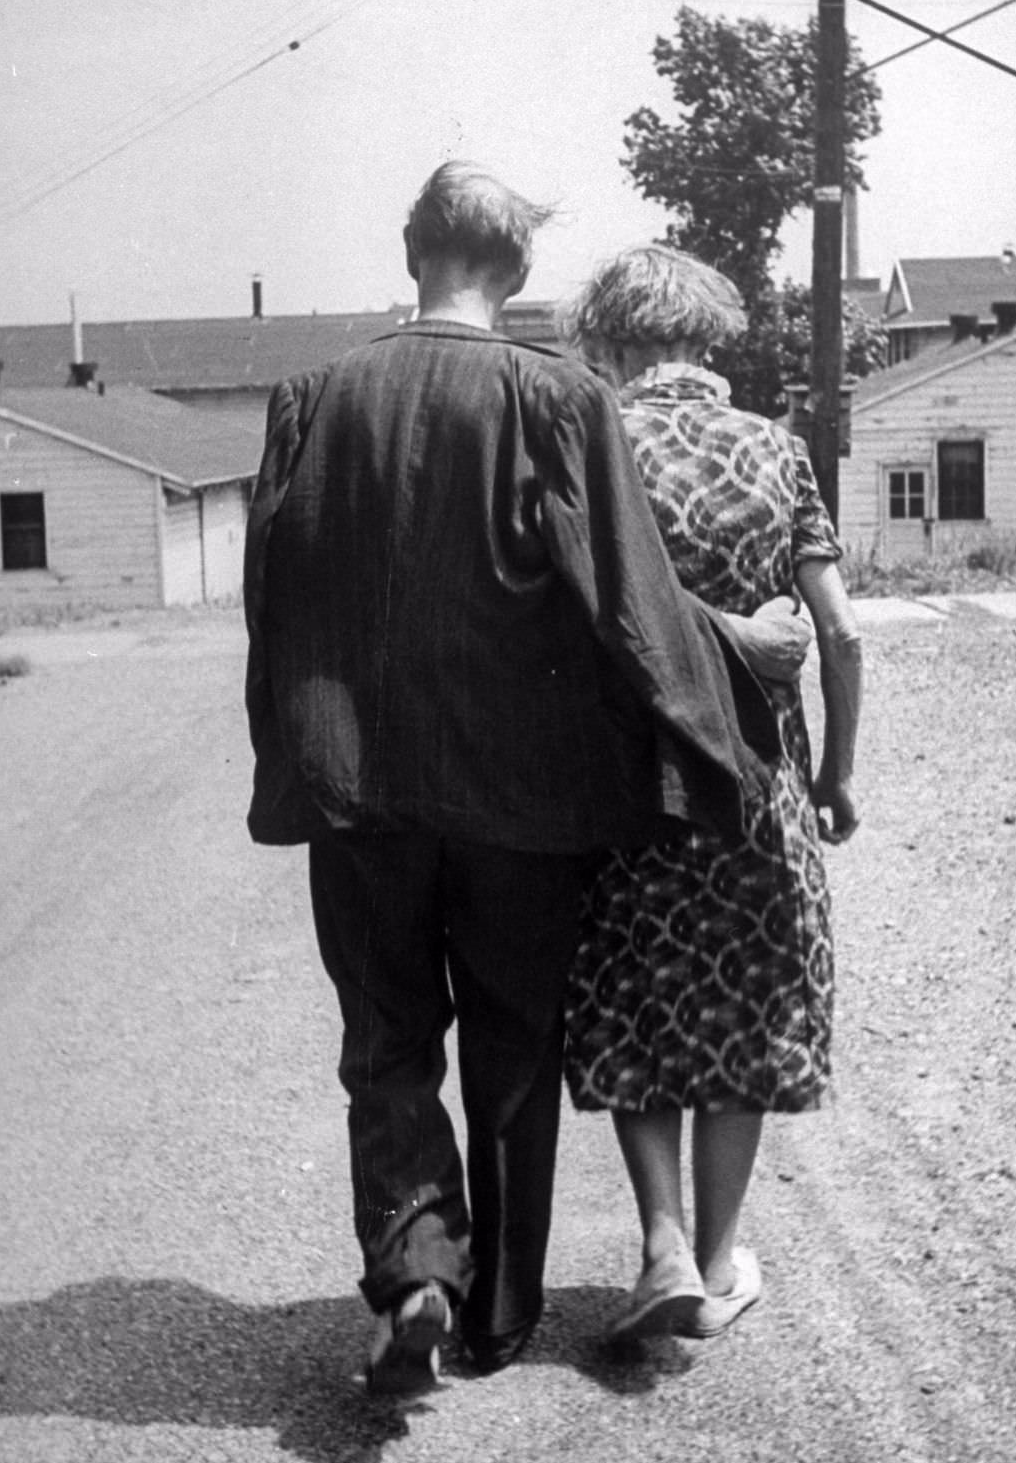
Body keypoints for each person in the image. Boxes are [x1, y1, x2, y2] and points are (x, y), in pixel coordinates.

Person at [243, 166, 798, 1394]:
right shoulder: (557, 399)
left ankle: (414, 1270)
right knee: (511, 1043)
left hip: (360, 785)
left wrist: (290, 760)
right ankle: (495, 1317)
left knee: (387, 1037)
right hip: (522, 801)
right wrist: (728, 713)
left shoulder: (311, 400)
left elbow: (270, 605)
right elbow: (628, 600)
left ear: (410, 251)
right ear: (521, 271)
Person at [559, 245, 862, 1344]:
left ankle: (662, 1246)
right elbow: (839, 631)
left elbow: (576, 620)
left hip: (627, 784)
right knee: (742, 1010)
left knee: (640, 1002)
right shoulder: (779, 452)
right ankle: (722, 1263)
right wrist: (835, 777)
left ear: (613, 337)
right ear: (706, 336)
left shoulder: (590, 449)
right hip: (755, 787)